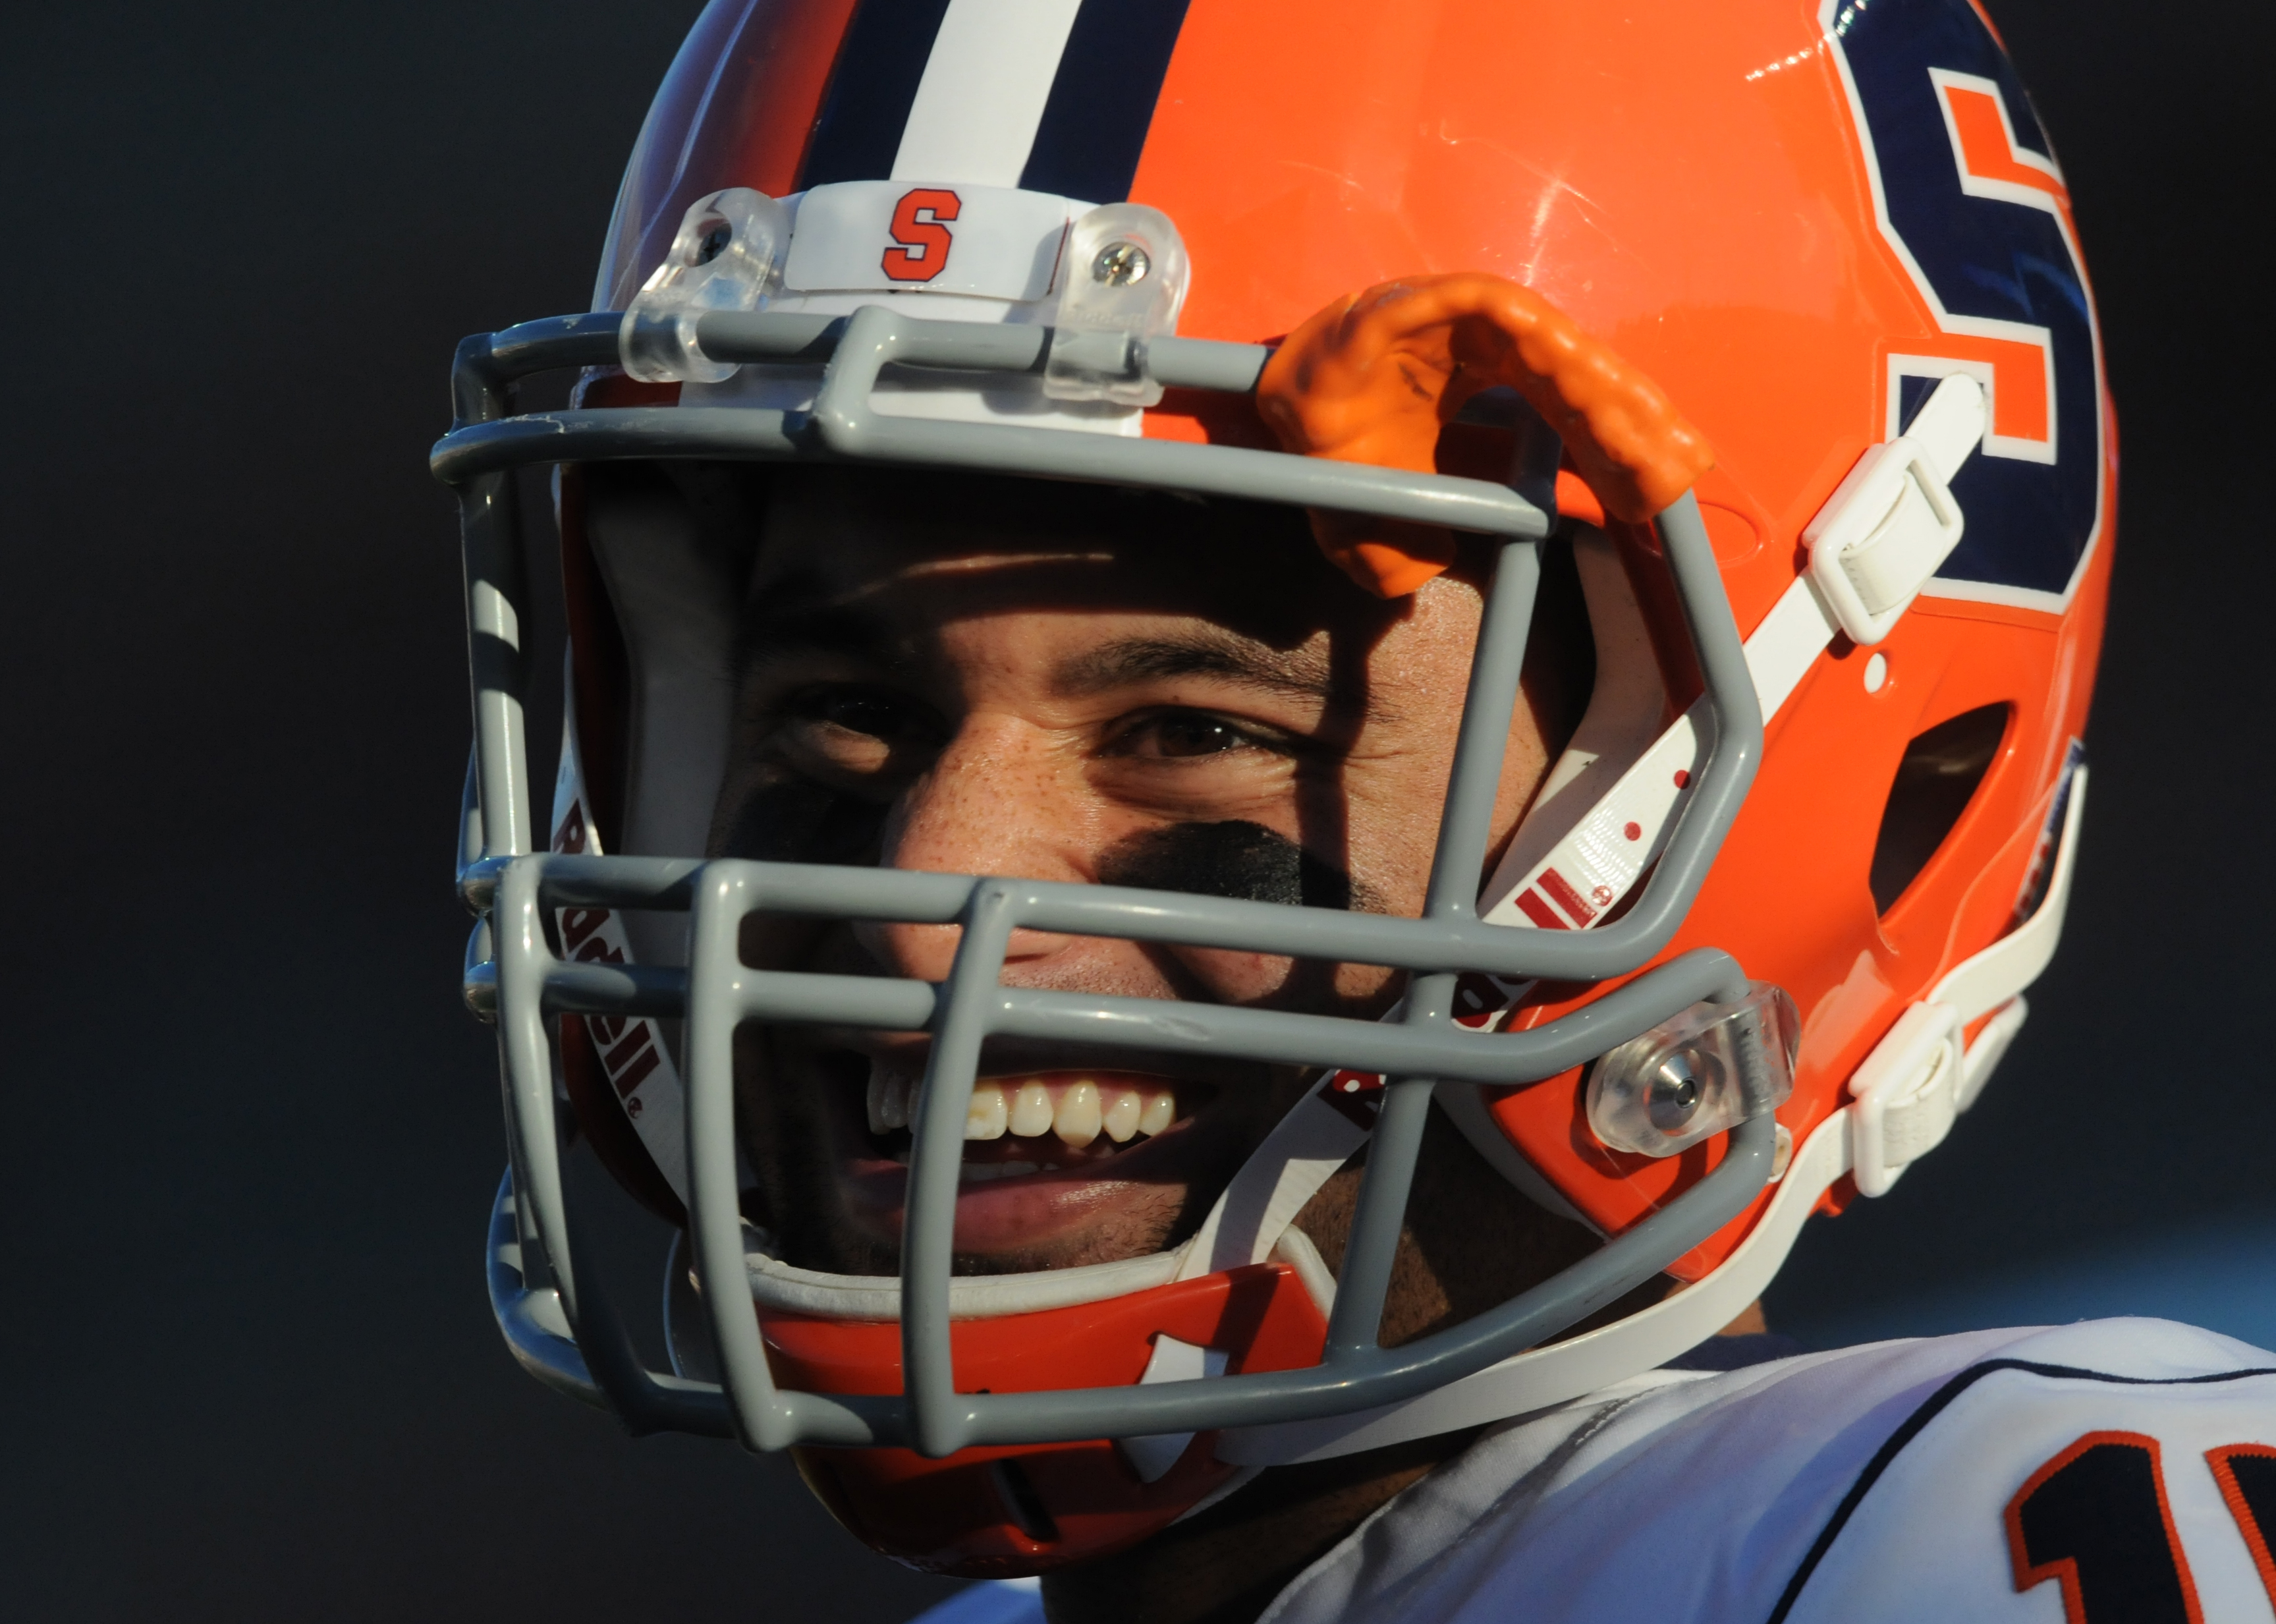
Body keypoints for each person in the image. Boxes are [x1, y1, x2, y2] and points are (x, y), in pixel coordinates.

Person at [435, 1, 2276, 1619]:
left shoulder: (1961, 1548)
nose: (935, 893)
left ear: (1796, 741)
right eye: (843, 710)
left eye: (1192, 723)